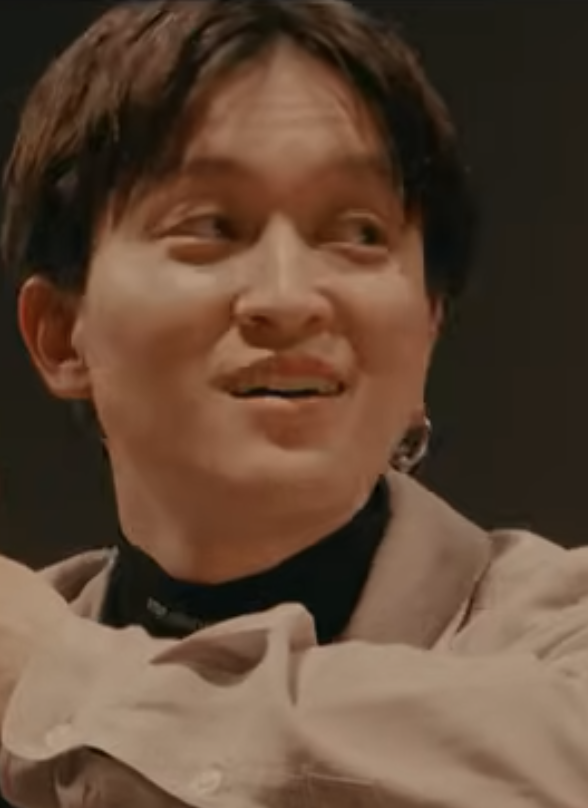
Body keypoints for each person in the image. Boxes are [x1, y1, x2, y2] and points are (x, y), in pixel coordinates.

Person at [1, 1, 588, 806]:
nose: (287, 298)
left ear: (427, 327)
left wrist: (65, 687)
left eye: (359, 233)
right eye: (208, 226)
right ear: (62, 337)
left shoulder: (562, 635)